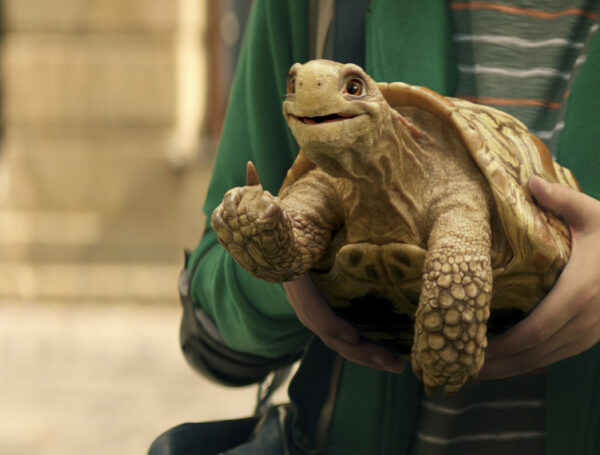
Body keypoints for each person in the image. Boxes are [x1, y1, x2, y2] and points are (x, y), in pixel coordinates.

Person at [179, 0, 600, 454]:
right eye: (295, 85)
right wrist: (274, 264)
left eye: (353, 87)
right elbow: (211, 322)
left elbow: (461, 253)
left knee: (456, 254)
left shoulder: (456, 196)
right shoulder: (315, 10)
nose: (311, 93)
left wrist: (447, 352)